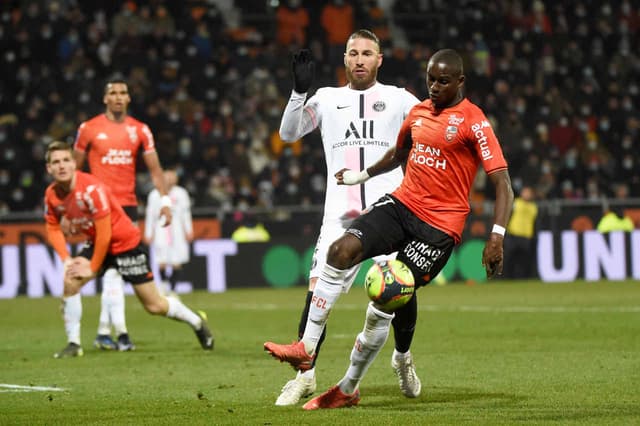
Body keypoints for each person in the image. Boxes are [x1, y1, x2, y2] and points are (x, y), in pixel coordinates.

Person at [265, 49, 514, 409]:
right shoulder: (418, 112)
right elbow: (399, 154)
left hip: (439, 226)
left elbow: (503, 183)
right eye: (430, 78)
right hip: (402, 204)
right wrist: (361, 175)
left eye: (443, 81)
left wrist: (496, 237)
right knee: (340, 251)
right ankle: (306, 348)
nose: (434, 86)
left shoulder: (473, 121)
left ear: (460, 82)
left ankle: (353, 384)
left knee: (388, 294)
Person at [265, 29, 420, 406]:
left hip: (389, 215)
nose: (360, 59)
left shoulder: (399, 99)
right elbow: (288, 134)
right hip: (340, 217)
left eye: (368, 53)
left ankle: (402, 359)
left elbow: (430, 127)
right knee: (318, 293)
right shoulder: (327, 99)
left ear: (380, 59)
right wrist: (298, 92)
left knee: (398, 290)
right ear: (345, 59)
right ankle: (305, 376)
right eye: (354, 53)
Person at [43, 141, 213, 358]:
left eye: (66, 160)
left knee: (154, 306)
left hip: (125, 243)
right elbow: (52, 226)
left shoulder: (91, 189)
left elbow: (105, 232)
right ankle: (74, 344)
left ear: (74, 163)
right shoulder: (52, 194)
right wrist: (66, 258)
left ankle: (197, 322)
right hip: (98, 242)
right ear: (49, 168)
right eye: (56, 162)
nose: (61, 166)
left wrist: (92, 267)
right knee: (71, 280)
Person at [73, 78, 172, 351]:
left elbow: (155, 170)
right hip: (98, 207)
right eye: (113, 93)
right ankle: (111, 332)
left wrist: (165, 200)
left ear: (129, 98)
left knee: (114, 272)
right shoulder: (89, 129)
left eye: (123, 93)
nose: (118, 97)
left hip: (127, 208)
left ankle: (107, 332)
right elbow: (75, 169)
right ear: (105, 99)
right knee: (109, 272)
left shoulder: (140, 129)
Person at [144, 168, 194, 296]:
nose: (170, 180)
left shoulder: (181, 193)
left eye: (173, 177)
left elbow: (186, 214)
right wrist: (148, 233)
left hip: (177, 232)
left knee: (177, 262)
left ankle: (173, 289)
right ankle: (164, 285)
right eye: (167, 177)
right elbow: (150, 216)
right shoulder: (154, 195)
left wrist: (189, 230)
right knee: (162, 262)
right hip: (161, 231)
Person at [503, 186, 538, 279]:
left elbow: (535, 222)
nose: (526, 194)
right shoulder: (515, 203)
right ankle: (506, 278)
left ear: (531, 195)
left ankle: (522, 278)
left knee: (523, 260)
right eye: (525, 192)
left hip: (526, 236)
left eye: (528, 193)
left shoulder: (534, 207)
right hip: (513, 234)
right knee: (509, 258)